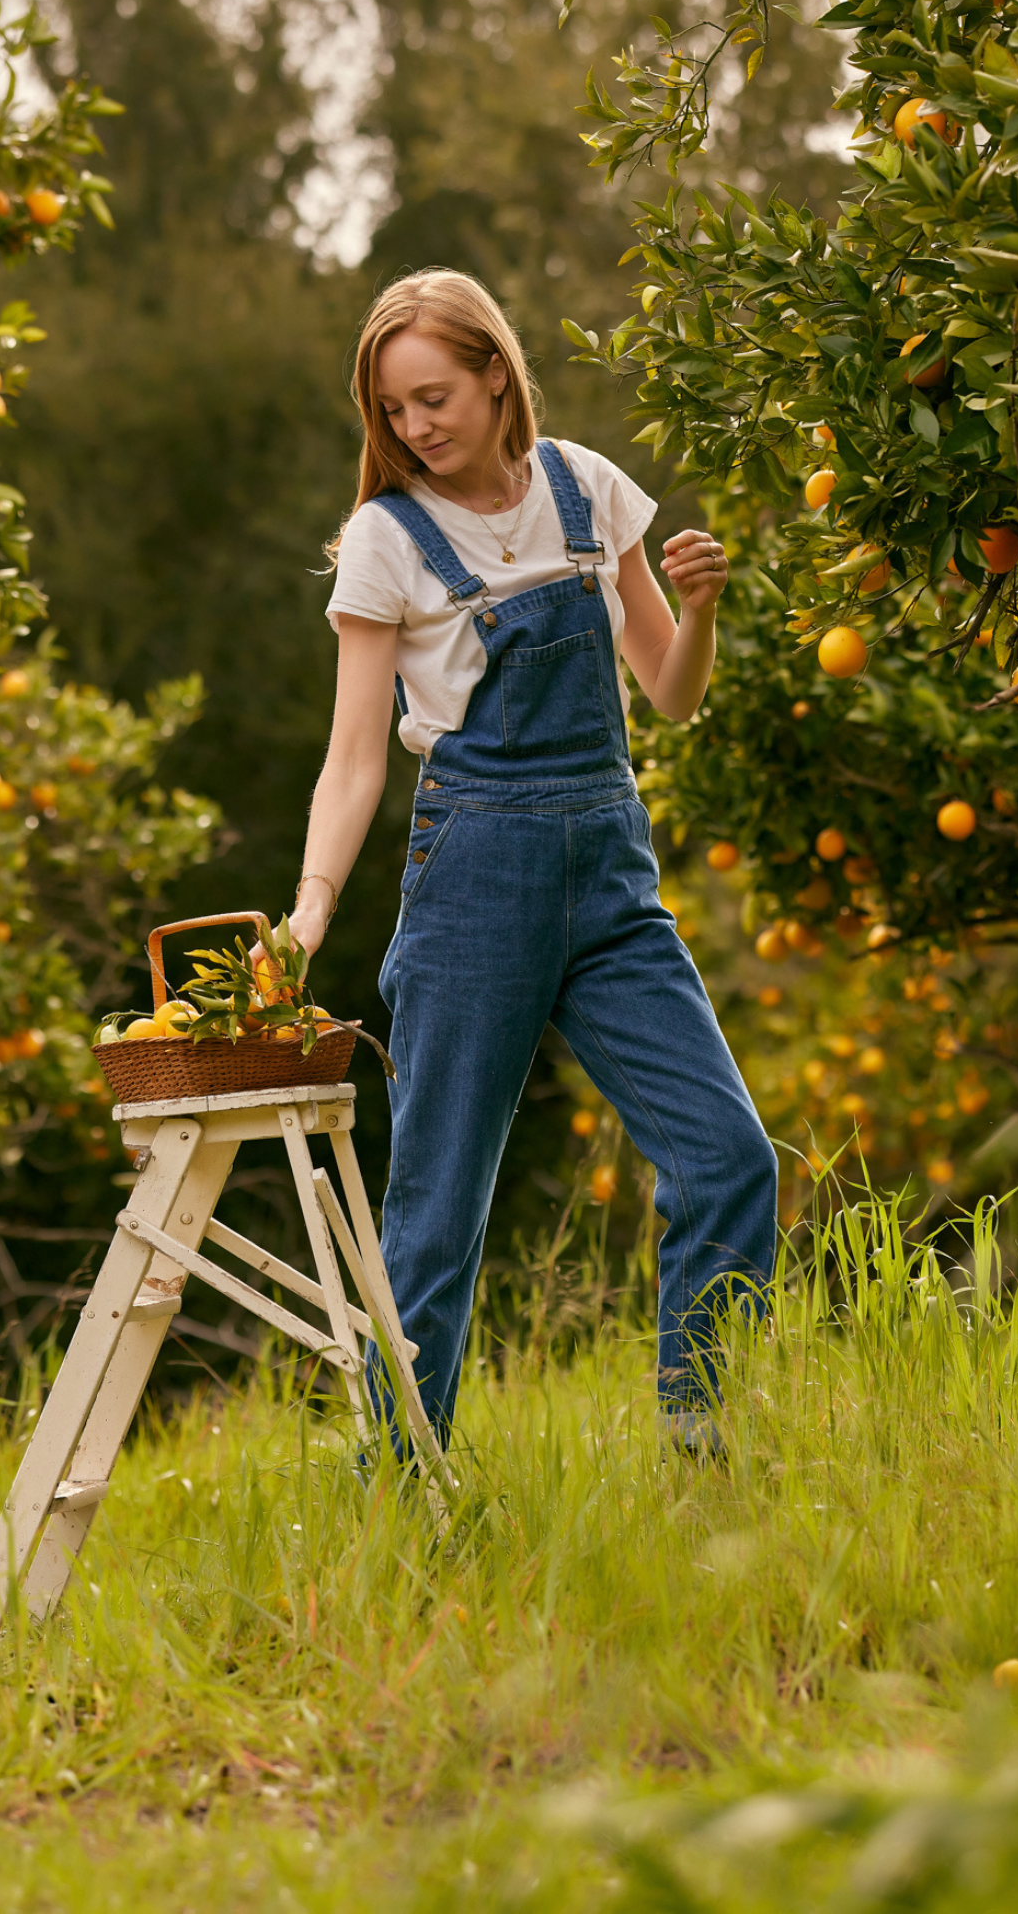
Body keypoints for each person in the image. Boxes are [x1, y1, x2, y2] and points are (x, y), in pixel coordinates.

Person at [288, 268, 777, 1451]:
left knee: (728, 1157)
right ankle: (398, 1489)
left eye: (435, 396)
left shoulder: (588, 489)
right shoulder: (383, 539)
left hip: (610, 883)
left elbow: (668, 693)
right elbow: (354, 758)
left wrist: (699, 610)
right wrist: (305, 918)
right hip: (470, 883)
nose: (415, 427)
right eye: (394, 409)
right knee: (435, 1217)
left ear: (496, 372)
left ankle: (696, 1433)